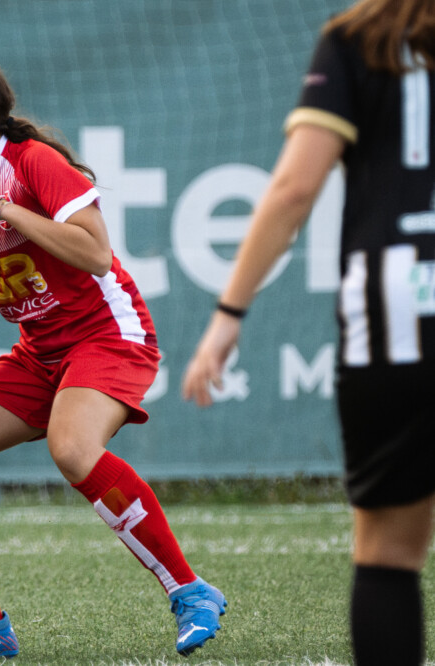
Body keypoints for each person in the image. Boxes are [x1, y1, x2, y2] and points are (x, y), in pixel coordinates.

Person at [0, 54, 227, 659]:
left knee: (72, 448)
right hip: (40, 353)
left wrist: (5, 209)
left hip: (108, 335)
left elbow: (96, 255)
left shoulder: (34, 163)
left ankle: (190, 591)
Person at [182, 1, 435, 663]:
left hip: (397, 313)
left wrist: (228, 315)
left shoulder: (363, 38)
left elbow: (295, 188)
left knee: (389, 552)